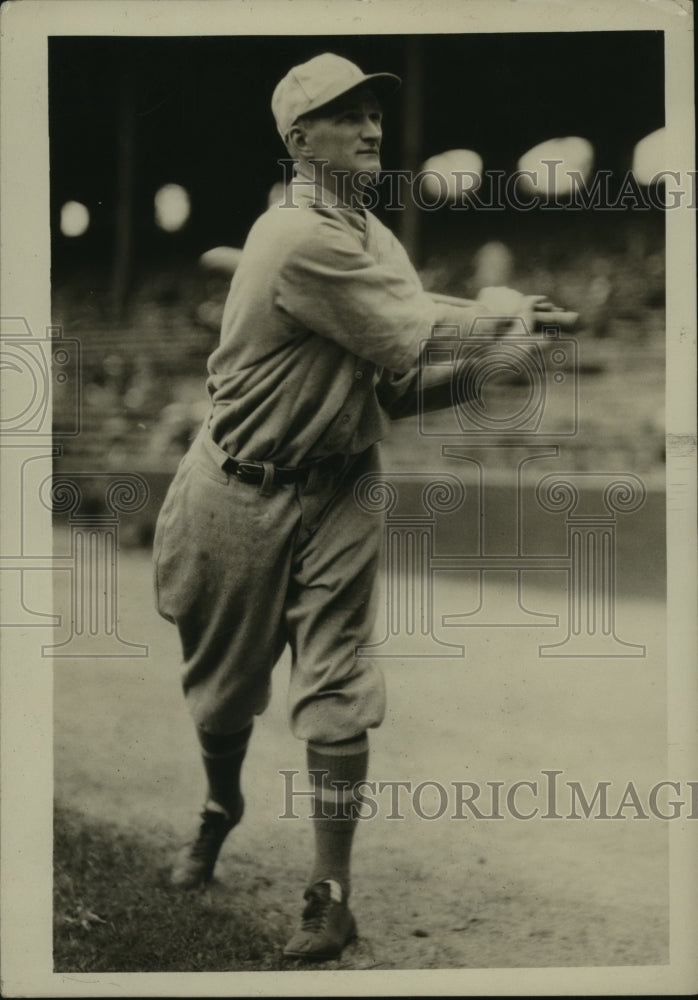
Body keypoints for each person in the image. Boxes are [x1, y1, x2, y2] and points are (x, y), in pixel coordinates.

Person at [153, 51, 558, 961]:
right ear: (300, 139)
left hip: (340, 483)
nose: (371, 124)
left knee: (337, 692)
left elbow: (396, 388)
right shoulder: (294, 236)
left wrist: (493, 363)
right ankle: (221, 803)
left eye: (375, 109)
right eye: (345, 113)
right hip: (238, 484)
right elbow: (422, 323)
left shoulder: (373, 240)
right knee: (223, 701)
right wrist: (495, 311)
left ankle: (330, 896)